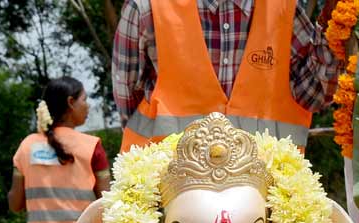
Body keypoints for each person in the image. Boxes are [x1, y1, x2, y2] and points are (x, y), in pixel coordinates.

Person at [112, 0, 341, 151]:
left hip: (267, 198)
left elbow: (315, 94)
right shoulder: (146, 8)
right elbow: (129, 105)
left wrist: (332, 26)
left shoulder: (283, 8)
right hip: (168, 198)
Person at [8, 77, 110, 223]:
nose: (87, 106)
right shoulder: (91, 147)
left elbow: (15, 204)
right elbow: (108, 204)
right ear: (71, 103)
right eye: (84, 99)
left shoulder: (27, 146)